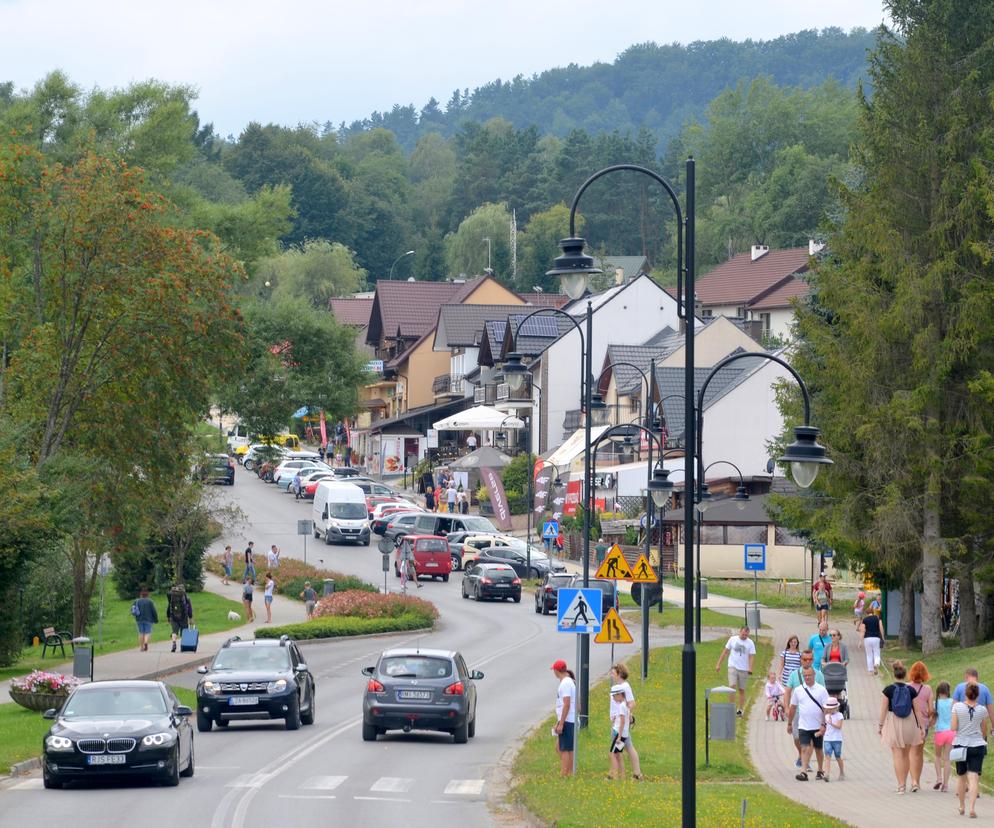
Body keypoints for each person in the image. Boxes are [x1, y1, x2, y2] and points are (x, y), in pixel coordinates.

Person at [879, 660, 924, 794]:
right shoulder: (911, 690)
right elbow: (917, 711)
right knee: (906, 754)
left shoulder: (888, 690)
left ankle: (901, 785)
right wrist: (921, 727)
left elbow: (883, 710)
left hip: (894, 721)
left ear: (894, 674)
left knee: (897, 755)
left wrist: (880, 725)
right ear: (905, 675)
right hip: (909, 722)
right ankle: (908, 782)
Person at [952, 682, 990, 817]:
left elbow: (953, 727)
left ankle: (962, 806)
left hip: (961, 744)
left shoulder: (957, 707)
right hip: (977, 745)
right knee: (973, 777)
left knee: (961, 777)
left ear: (965, 694)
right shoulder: (982, 710)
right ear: (977, 695)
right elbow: (984, 729)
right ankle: (972, 808)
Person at [785, 650, 825, 769]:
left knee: (810, 742)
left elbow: (824, 695)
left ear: (812, 660)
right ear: (801, 660)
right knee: (797, 738)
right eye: (805, 659)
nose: (807, 662)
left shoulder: (819, 675)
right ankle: (801, 756)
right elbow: (787, 691)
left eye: (810, 659)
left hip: (815, 714)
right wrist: (787, 707)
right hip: (798, 712)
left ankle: (805, 763)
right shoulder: (794, 674)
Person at [787, 666, 829, 781]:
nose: (807, 677)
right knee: (804, 748)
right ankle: (804, 772)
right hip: (803, 725)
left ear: (814, 675)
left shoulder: (821, 690)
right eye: (805, 676)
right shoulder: (798, 690)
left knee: (818, 749)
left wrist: (824, 724)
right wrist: (789, 723)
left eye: (809, 675)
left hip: (817, 726)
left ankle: (820, 770)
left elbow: (826, 708)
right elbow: (793, 707)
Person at [610, 663, 643, 780]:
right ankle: (633, 774)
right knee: (622, 748)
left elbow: (632, 702)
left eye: (613, 673)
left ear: (619, 674)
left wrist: (624, 715)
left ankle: (620, 774)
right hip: (617, 722)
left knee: (621, 749)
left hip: (620, 723)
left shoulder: (625, 686)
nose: (612, 676)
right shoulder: (618, 686)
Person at [715, 626, 756, 716]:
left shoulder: (750, 643)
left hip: (743, 669)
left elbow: (752, 656)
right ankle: (731, 708)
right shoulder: (732, 639)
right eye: (743, 634)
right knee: (732, 686)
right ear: (739, 632)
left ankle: (740, 709)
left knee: (741, 689)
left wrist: (750, 668)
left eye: (746, 635)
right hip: (732, 666)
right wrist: (718, 664)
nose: (744, 636)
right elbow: (725, 652)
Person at [908, 660, 934, 793]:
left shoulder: (907, 687)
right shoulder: (928, 689)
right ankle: (917, 781)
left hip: (909, 723)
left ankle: (913, 782)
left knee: (911, 753)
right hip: (923, 724)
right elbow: (931, 710)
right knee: (919, 753)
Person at [551, 659, 576, 777]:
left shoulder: (565, 683)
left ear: (556, 671)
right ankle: (570, 771)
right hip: (568, 719)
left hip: (567, 719)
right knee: (561, 747)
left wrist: (561, 723)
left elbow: (567, 704)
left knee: (565, 749)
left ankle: (565, 773)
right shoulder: (570, 681)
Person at [933, 681, 954, 792]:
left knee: (937, 756)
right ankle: (945, 785)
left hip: (939, 732)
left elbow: (933, 718)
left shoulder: (935, 703)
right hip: (951, 732)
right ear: (948, 691)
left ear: (938, 691)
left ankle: (938, 778)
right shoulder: (952, 702)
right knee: (947, 759)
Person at [609, 685, 630, 780]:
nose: (613, 698)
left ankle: (615, 776)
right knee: (618, 754)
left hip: (619, 733)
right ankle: (623, 776)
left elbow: (622, 721)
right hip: (624, 734)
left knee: (612, 754)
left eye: (614, 696)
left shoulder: (621, 706)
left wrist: (619, 736)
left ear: (619, 695)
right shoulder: (625, 705)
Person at [823, 697, 845, 781]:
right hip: (827, 738)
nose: (829, 710)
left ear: (836, 708)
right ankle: (826, 774)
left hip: (837, 739)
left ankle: (842, 772)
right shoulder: (827, 716)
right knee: (827, 756)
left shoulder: (839, 715)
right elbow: (825, 726)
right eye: (828, 708)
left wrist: (831, 723)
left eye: (831, 708)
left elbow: (839, 727)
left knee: (837, 756)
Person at [166, 584, 193, 653]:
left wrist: (168, 616)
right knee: (184, 632)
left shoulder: (172, 597)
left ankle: (174, 643)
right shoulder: (187, 598)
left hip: (173, 617)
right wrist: (190, 618)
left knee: (174, 631)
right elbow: (189, 609)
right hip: (183, 617)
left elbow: (169, 607)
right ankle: (182, 646)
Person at [858, 610, 884, 675]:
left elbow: (862, 630)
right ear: (873, 613)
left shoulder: (865, 620)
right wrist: (882, 637)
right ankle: (876, 663)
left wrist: (860, 641)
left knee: (869, 655)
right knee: (877, 653)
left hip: (867, 638)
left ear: (866, 613)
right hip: (876, 638)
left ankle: (870, 671)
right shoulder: (878, 618)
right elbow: (881, 627)